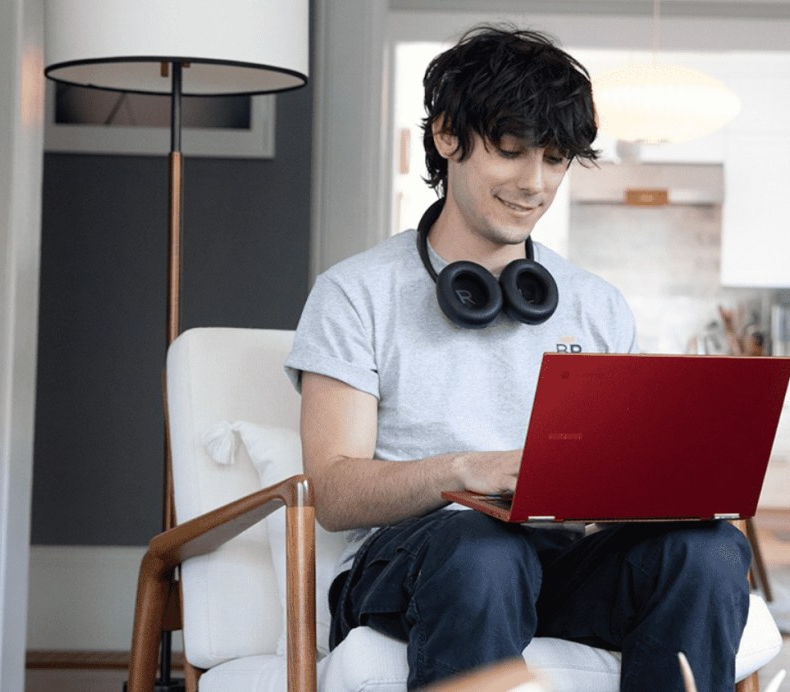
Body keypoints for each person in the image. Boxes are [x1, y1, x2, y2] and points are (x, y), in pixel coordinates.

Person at [285, 24, 752, 691]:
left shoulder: (597, 304)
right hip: (422, 563)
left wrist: (669, 486)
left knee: (707, 552)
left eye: (556, 159)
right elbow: (333, 492)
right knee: (482, 548)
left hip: (561, 561)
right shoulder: (354, 293)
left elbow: (623, 479)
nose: (536, 183)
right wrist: (469, 470)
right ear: (448, 135)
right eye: (511, 151)